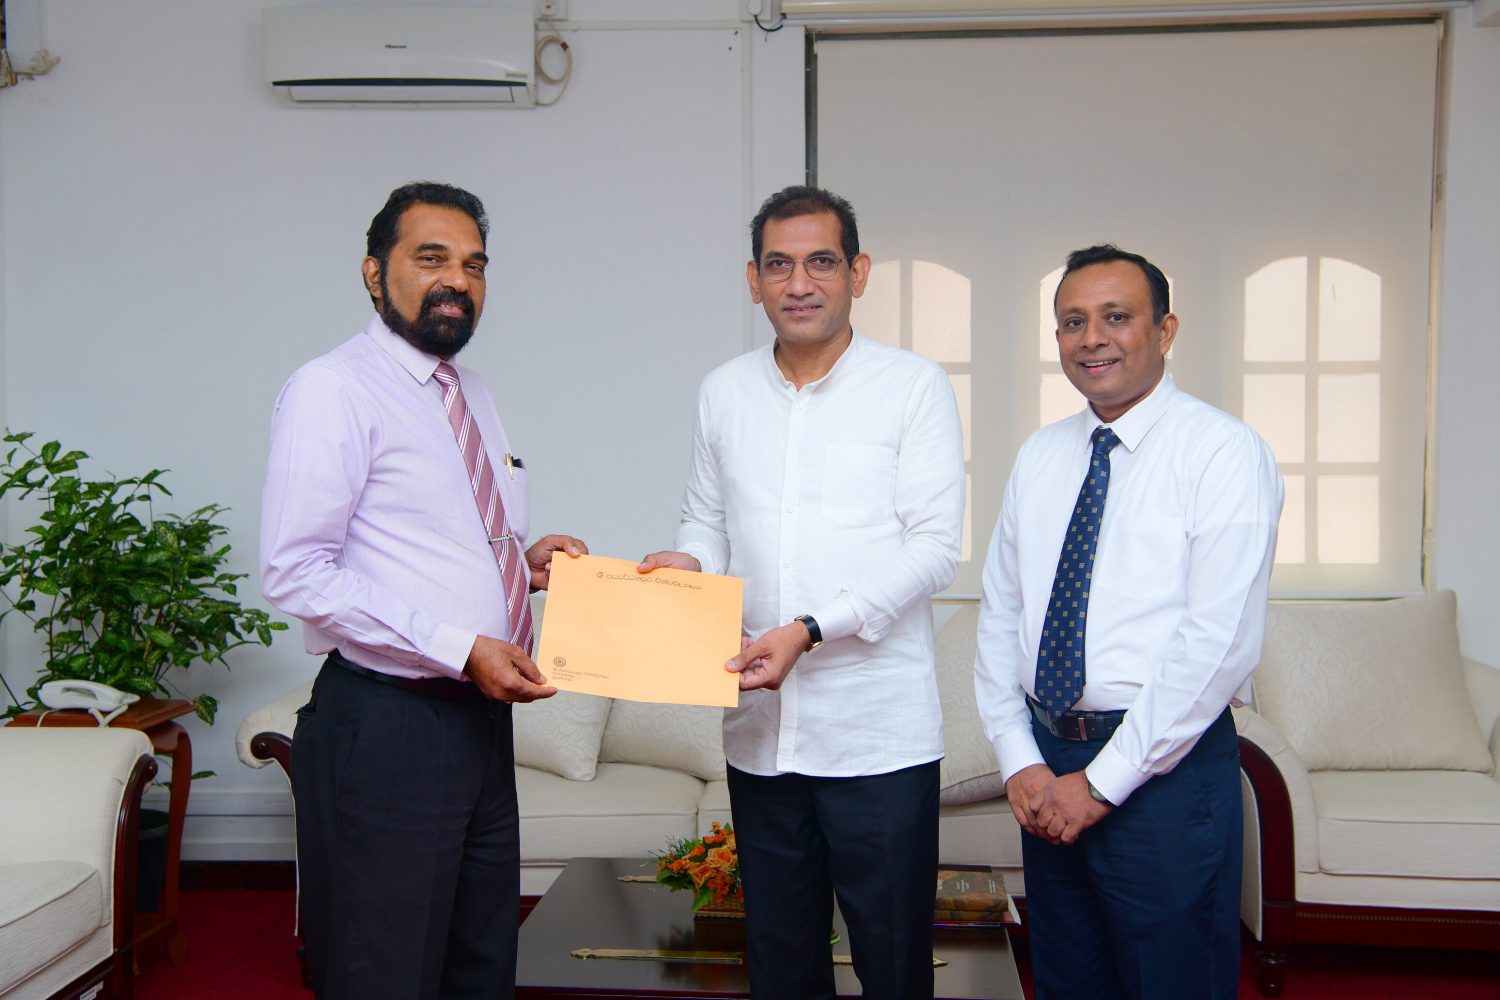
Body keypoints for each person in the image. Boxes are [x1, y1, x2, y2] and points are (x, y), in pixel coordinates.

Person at [260, 181, 587, 1000]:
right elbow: (295, 568)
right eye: (432, 258)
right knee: (384, 973)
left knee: (481, 965)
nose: (458, 281)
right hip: (387, 727)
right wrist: (460, 647)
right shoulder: (333, 388)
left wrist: (522, 563)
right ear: (375, 273)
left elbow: (436, 539)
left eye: (474, 265)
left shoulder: (470, 392)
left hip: (480, 727)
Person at [639, 185, 965, 998]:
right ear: (753, 279)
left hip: (878, 738)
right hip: (760, 735)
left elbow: (935, 550)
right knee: (781, 966)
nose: (799, 283)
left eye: (821, 262)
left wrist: (812, 628)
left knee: (894, 967)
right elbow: (707, 519)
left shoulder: (913, 386)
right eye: (778, 265)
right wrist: (689, 563)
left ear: (858, 272)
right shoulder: (723, 390)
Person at [973, 244, 1283, 999]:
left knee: (1170, 981)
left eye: (1117, 317)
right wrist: (1018, 758)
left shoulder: (1223, 452)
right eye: (1072, 321)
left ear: (1165, 330)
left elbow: (1217, 646)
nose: (1092, 339)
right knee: (1068, 980)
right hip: (1048, 762)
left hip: (1163, 771)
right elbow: (1003, 614)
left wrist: (1101, 784)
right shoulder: (1041, 455)